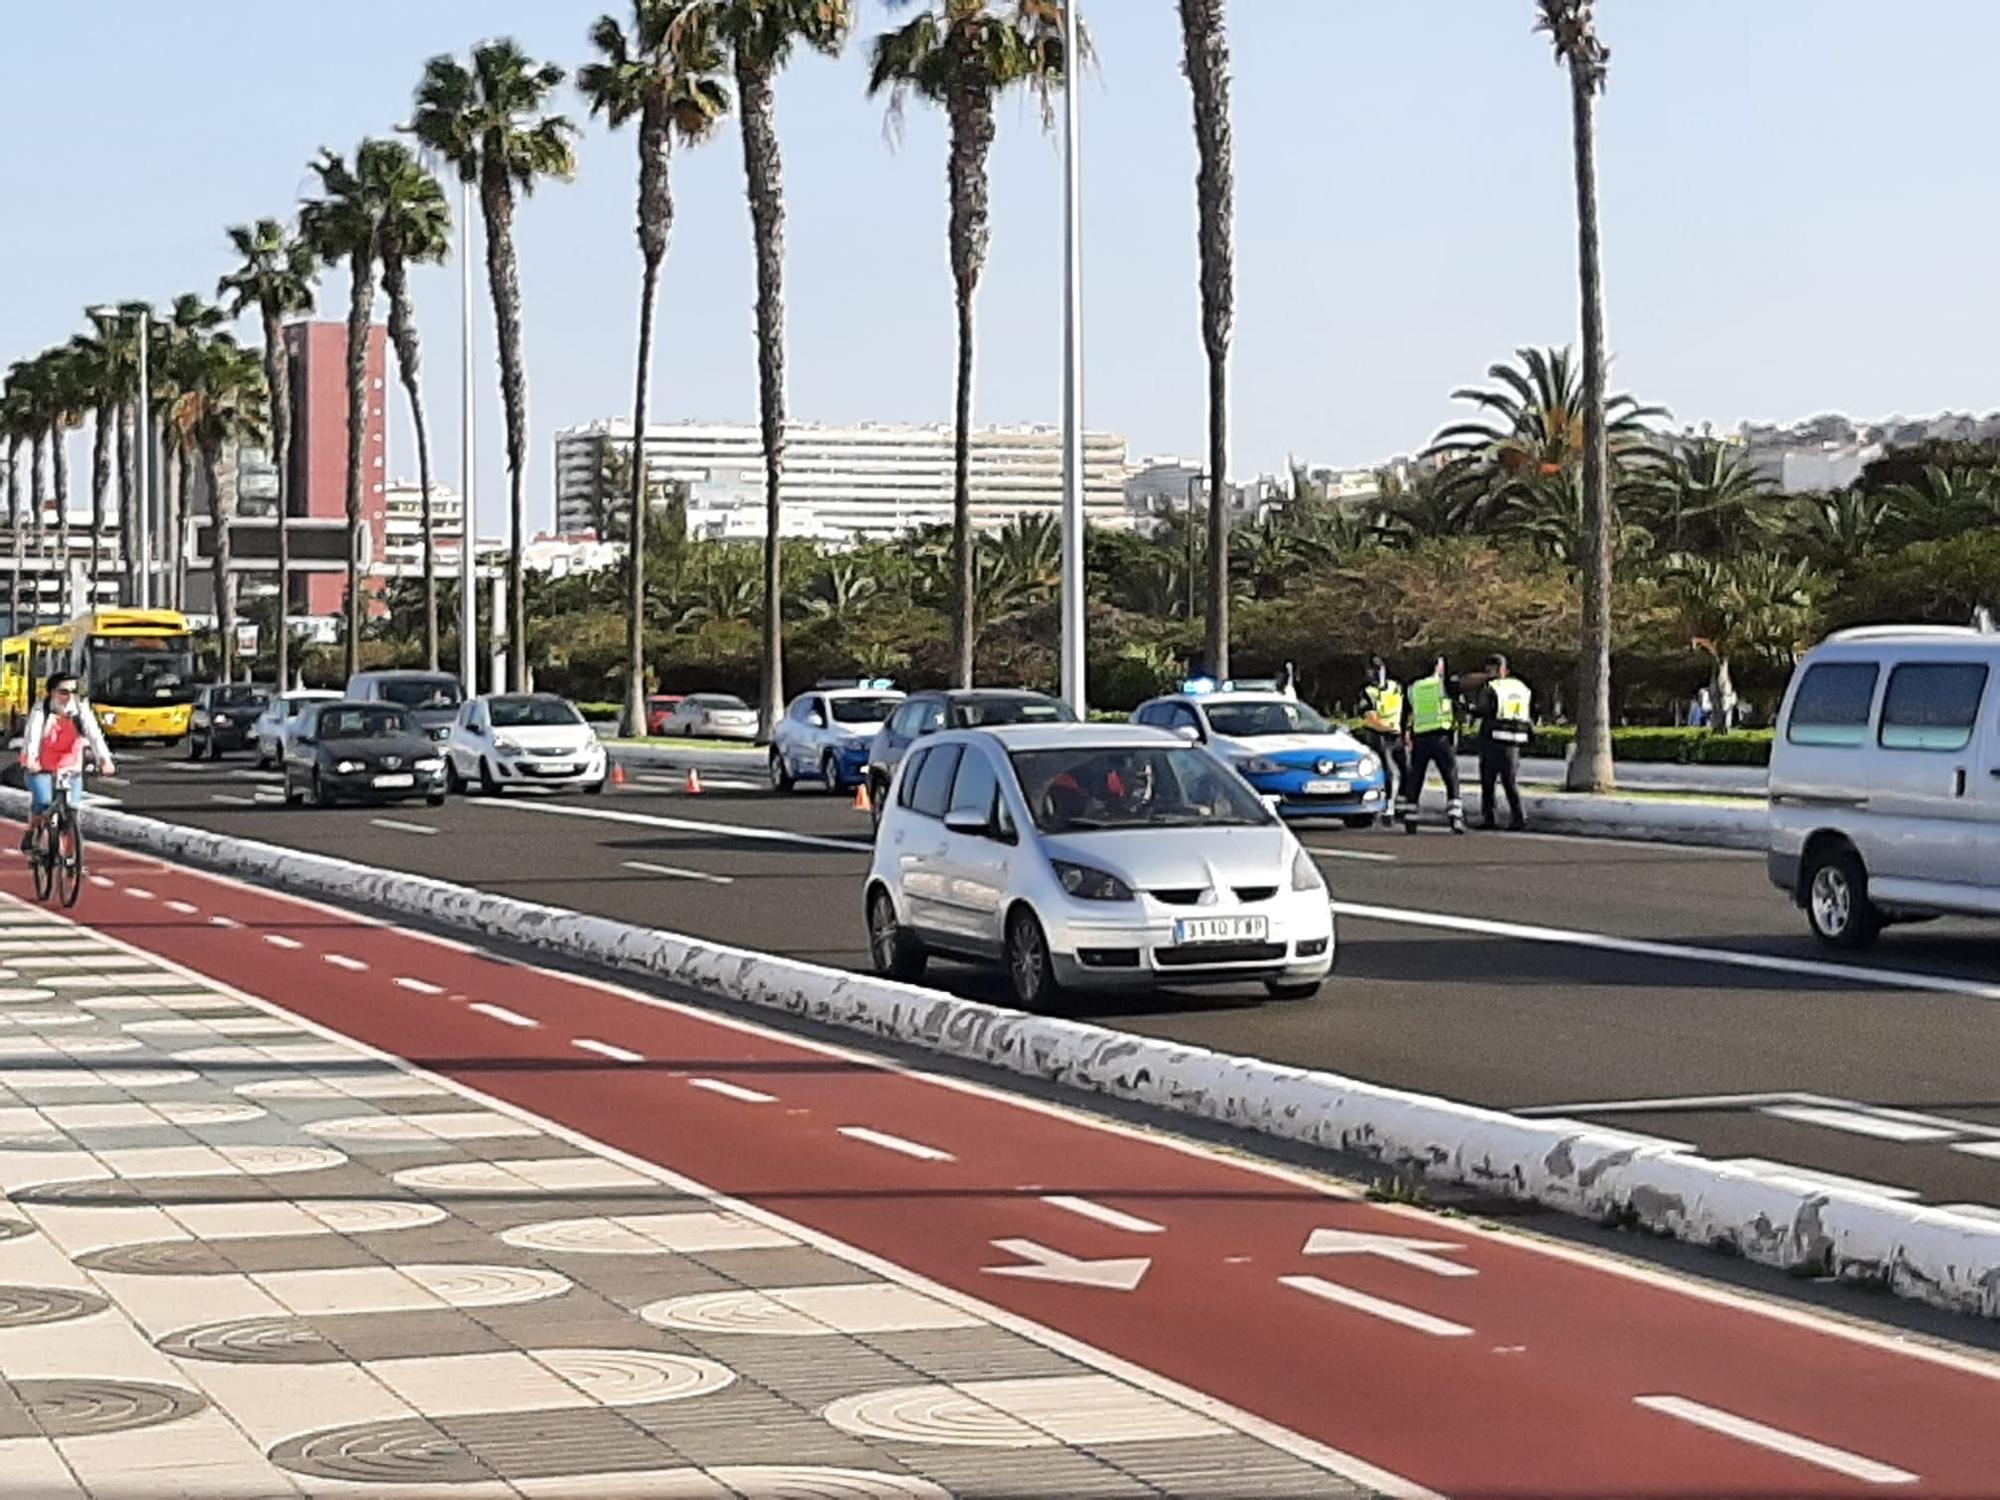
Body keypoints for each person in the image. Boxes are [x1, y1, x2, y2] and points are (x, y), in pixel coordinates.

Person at [18, 674, 114, 854]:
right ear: (52, 693)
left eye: (73, 692)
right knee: (43, 802)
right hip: (41, 765)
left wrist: (104, 759)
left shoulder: (80, 709)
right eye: (63, 692)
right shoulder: (41, 710)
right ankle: (32, 831)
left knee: (73, 812)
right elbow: (33, 736)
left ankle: (71, 859)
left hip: (70, 766)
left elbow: (94, 735)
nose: (69, 697)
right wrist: (31, 759)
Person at [1400, 656, 1464, 835]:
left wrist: (1404, 732)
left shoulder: (1414, 687)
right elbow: (1458, 704)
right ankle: (1455, 817)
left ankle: (1410, 818)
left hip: (1420, 737)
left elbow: (1406, 713)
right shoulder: (1442, 685)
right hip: (1442, 737)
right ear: (1438, 667)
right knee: (1450, 777)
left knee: (1416, 777)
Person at [1474, 653, 1533, 831]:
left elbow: (1483, 709)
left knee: (1488, 781)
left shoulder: (1492, 687)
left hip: (1493, 738)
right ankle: (1519, 818)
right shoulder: (1520, 686)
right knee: (1510, 781)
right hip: (1515, 740)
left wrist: (1469, 709)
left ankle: (1490, 818)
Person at [1358, 656, 1408, 827]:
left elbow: (1405, 710)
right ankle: (1387, 808)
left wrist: (1406, 730)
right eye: (1373, 670)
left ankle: (1401, 808)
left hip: (1397, 735)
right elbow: (1369, 717)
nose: (1377, 673)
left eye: (1379, 669)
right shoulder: (1367, 692)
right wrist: (1387, 729)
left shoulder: (1396, 687)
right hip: (1378, 736)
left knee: (1406, 771)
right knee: (1389, 772)